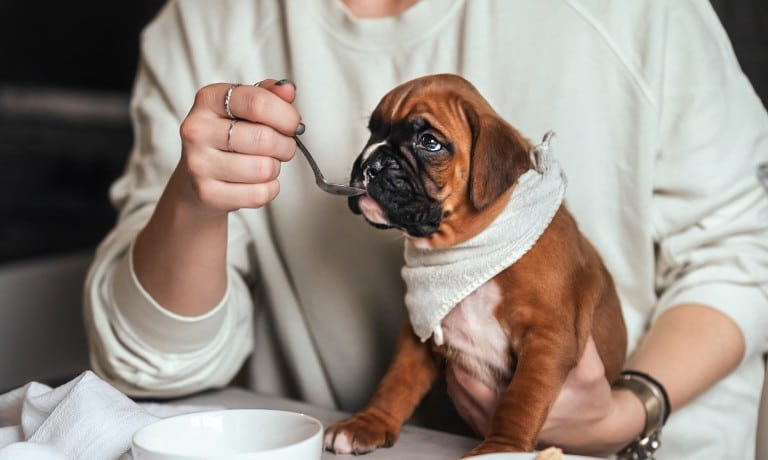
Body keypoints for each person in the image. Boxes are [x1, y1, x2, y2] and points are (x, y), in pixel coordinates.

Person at [83, 0, 768, 458]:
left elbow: (745, 246)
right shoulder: (204, 21)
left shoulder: (636, 18)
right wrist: (195, 201)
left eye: (424, 145)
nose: (381, 163)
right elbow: (146, 362)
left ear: (490, 169)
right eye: (378, 139)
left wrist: (626, 412)